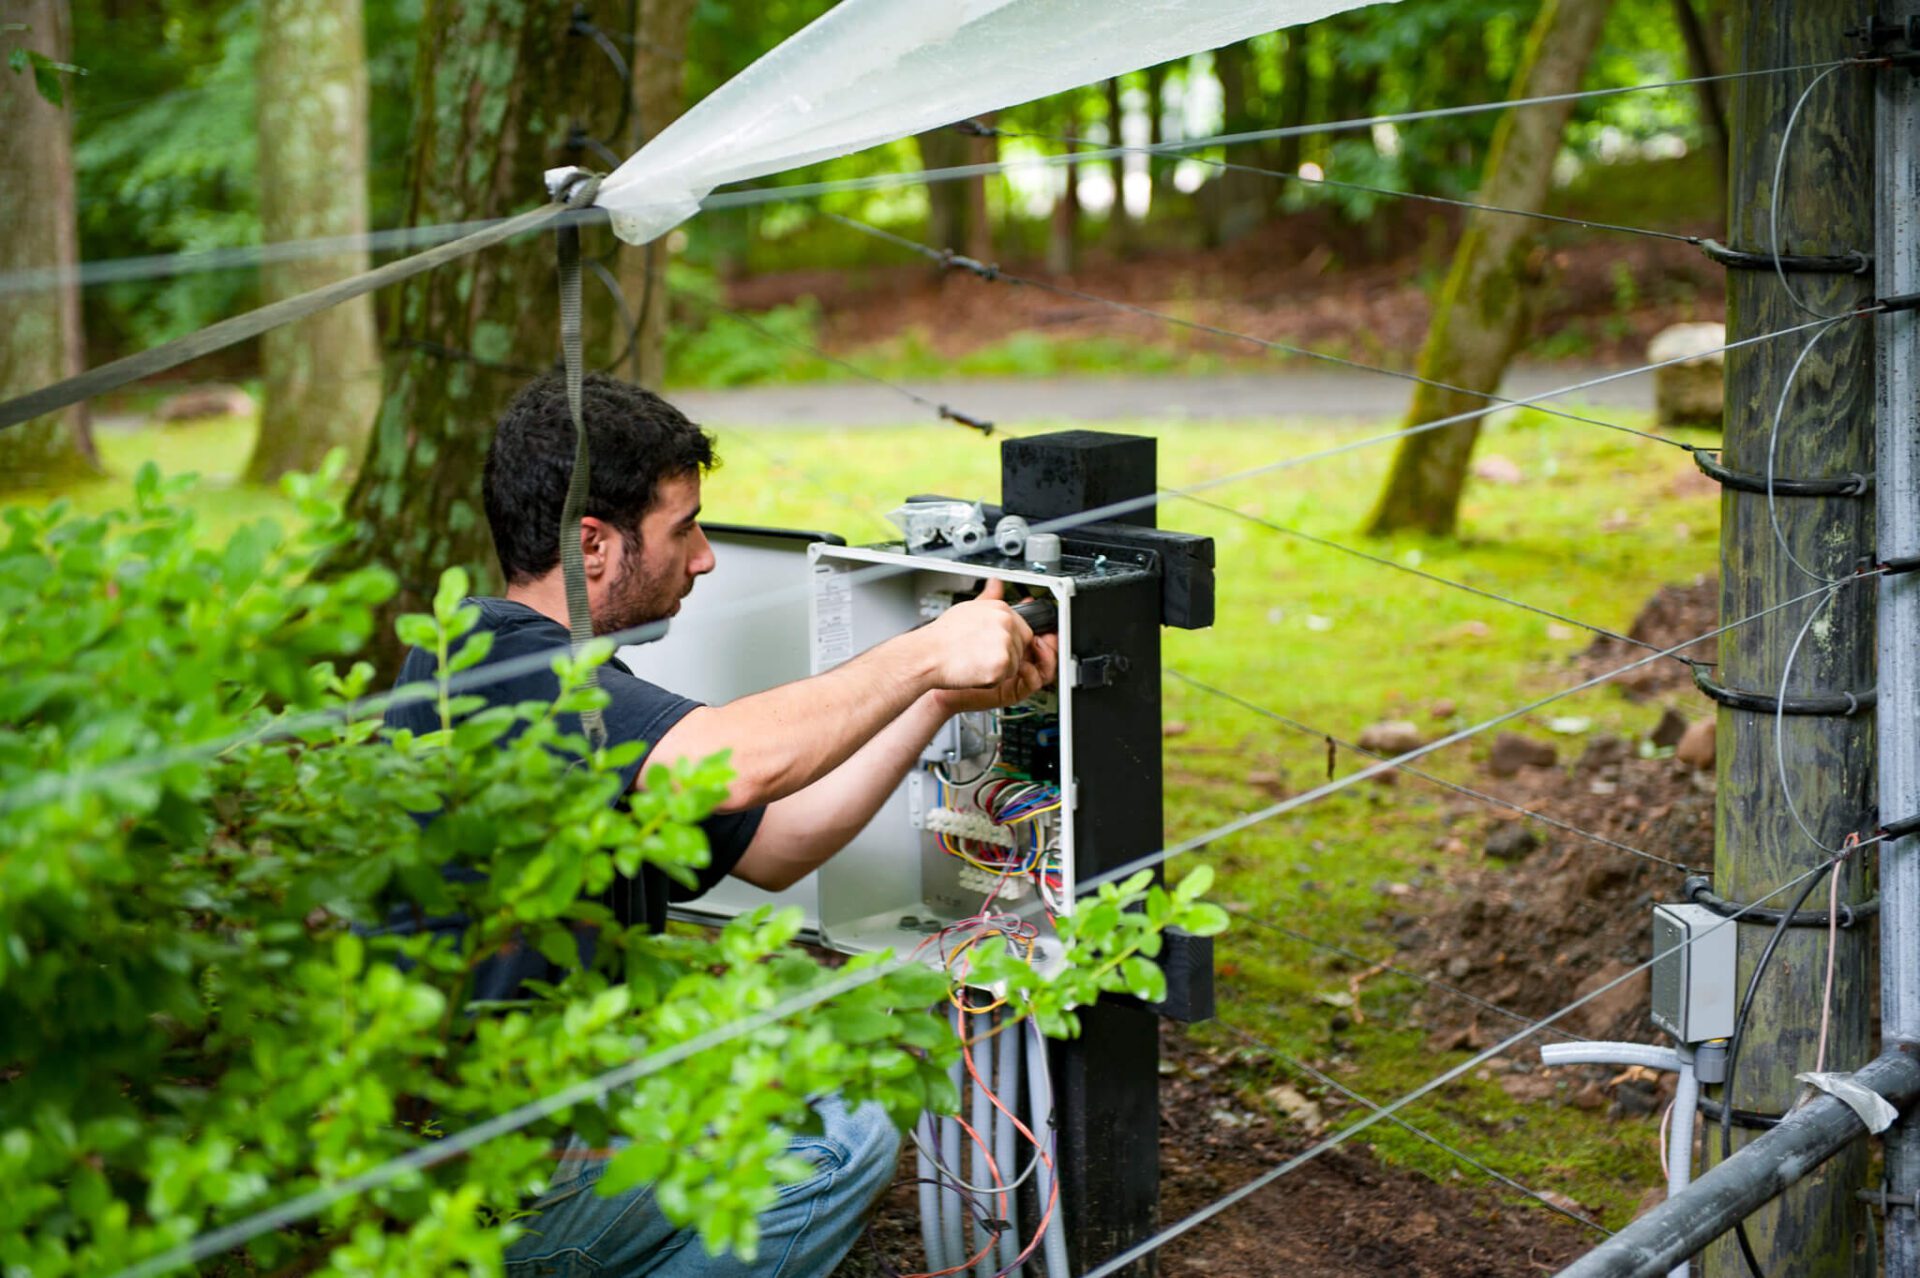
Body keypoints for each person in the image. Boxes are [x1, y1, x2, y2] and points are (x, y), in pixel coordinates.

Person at [382, 372, 1059, 1277]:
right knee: (839, 1136)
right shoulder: (503, 671)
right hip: (497, 1183)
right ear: (593, 545)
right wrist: (924, 649)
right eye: (682, 528)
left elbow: (780, 844)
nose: (703, 558)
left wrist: (938, 696)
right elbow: (737, 762)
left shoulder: (557, 693)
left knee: (794, 1081)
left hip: (534, 1134)